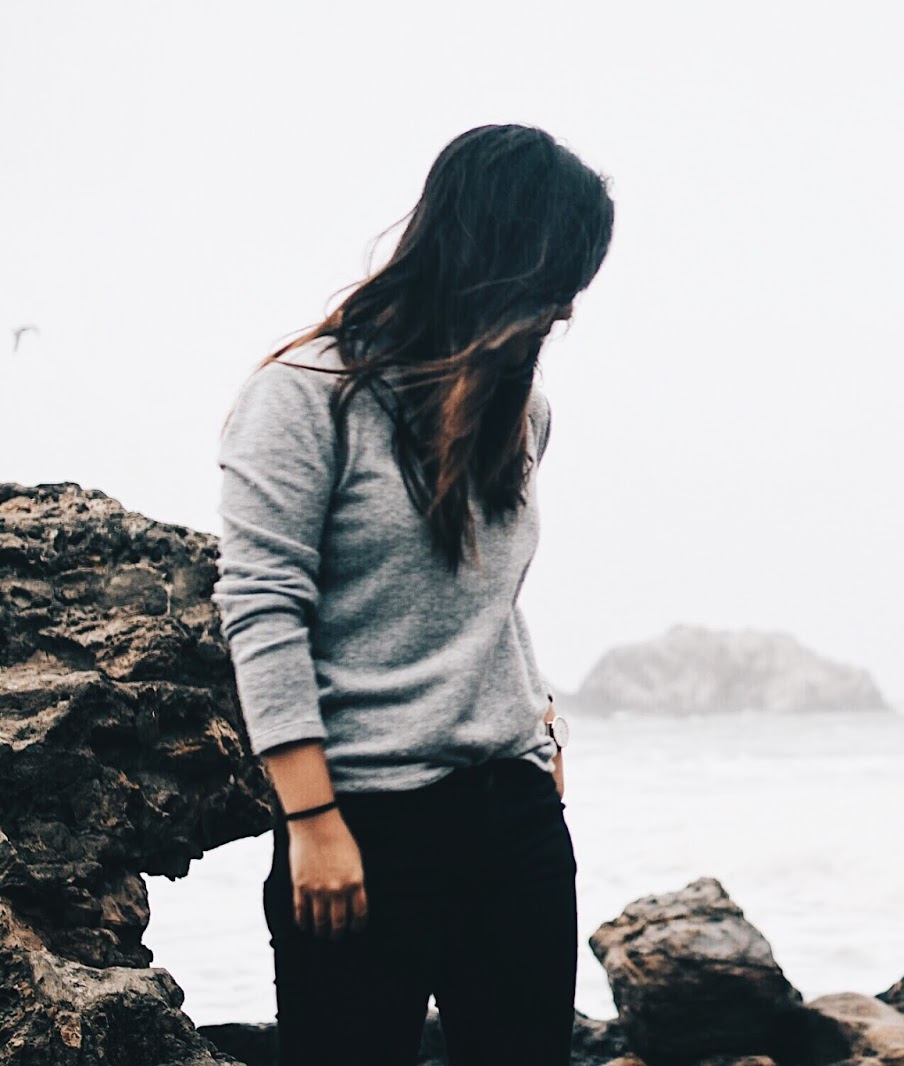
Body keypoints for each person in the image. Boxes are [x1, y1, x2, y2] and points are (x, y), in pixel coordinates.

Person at [210, 123, 614, 1065]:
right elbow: (263, 608)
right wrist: (311, 820)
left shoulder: (521, 409)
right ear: (494, 256)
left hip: (513, 822)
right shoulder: (304, 396)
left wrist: (539, 722)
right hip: (358, 821)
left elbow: (486, 593)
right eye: (557, 277)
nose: (565, 307)